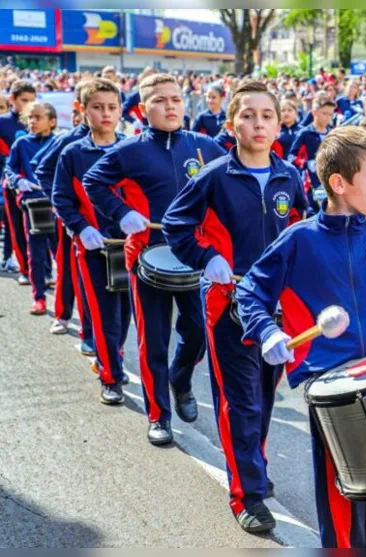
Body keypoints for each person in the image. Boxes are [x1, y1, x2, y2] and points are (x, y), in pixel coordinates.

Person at [235, 126, 366, 548]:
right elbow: (251, 291)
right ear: (338, 182)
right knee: (344, 492)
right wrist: (267, 330)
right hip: (334, 386)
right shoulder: (300, 239)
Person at [163, 81, 308, 534]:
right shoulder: (213, 177)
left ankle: (253, 468)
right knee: (240, 400)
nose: (259, 123)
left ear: (280, 121)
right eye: (248, 115)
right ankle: (246, 493)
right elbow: (175, 225)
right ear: (232, 124)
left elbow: (303, 232)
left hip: (277, 311)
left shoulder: (291, 177)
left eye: (267, 114)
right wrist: (209, 259)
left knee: (264, 397)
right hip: (228, 306)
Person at [84, 73, 226, 446]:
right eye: (161, 101)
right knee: (154, 340)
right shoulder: (129, 150)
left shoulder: (205, 147)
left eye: (176, 100)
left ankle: (180, 379)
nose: (171, 107)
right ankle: (158, 415)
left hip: (195, 257)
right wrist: (121, 212)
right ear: (144, 109)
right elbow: (93, 183)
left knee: (197, 331)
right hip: (147, 258)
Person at [52, 78, 130, 403]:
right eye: (97, 107)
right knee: (103, 314)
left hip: (129, 248)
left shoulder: (132, 148)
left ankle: (113, 356)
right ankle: (110, 376)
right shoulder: (72, 153)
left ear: (121, 110)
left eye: (112, 107)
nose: (105, 114)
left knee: (124, 314)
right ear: (83, 112)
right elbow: (61, 197)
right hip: (93, 248)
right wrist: (81, 228)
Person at [34, 80, 93, 338]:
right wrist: (61, 203)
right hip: (73, 219)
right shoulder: (70, 140)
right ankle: (63, 315)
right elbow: (42, 170)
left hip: (104, 221)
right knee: (68, 270)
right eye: (94, 106)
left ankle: (95, 332)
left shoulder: (119, 140)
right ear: (80, 109)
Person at [4, 101, 57, 315]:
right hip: (32, 204)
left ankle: (65, 302)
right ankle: (39, 298)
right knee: (34, 252)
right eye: (30, 117)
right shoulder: (22, 144)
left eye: (38, 117)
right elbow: (10, 168)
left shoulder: (61, 142)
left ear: (52, 121)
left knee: (60, 254)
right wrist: (18, 181)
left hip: (57, 206)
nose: (33, 121)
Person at [0, 79, 37, 284]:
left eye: (32, 100)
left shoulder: (37, 119)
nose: (29, 105)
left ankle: (41, 270)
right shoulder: (3, 122)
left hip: (34, 185)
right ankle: (14, 262)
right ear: (12, 99)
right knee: (13, 226)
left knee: (36, 231)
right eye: (24, 100)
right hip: (9, 182)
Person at [289, 96, 336, 211]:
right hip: (309, 181)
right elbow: (291, 156)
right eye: (324, 113)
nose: (327, 117)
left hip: (329, 180)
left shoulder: (332, 133)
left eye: (330, 114)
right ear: (314, 112)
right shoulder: (305, 133)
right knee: (311, 211)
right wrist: (306, 163)